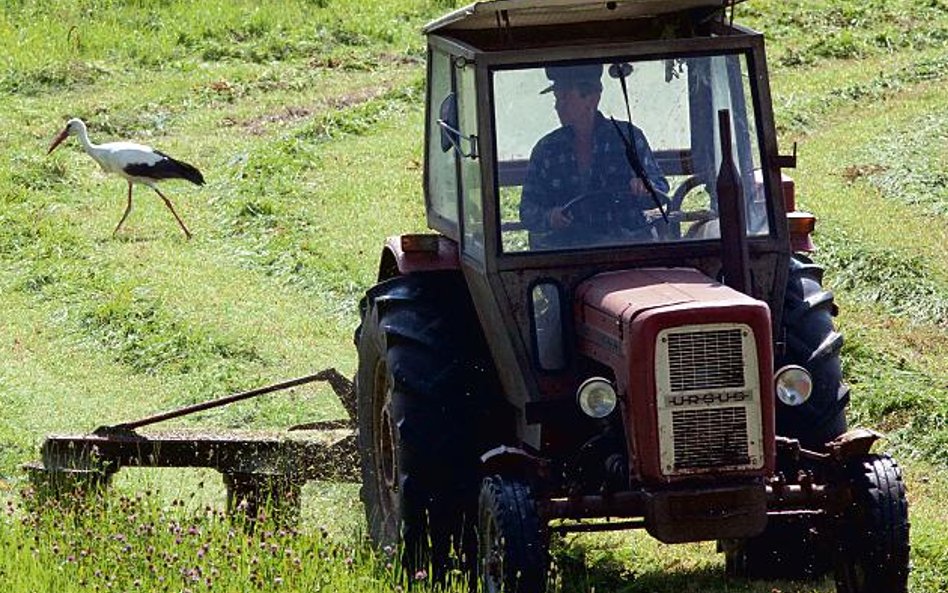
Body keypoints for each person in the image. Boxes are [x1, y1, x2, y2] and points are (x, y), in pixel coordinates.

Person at [520, 64, 669, 249]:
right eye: (557, 98)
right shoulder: (547, 150)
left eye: (565, 97)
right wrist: (550, 217)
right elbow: (527, 211)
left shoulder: (628, 138)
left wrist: (646, 186)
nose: (558, 106)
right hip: (568, 253)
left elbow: (660, 189)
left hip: (628, 249)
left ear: (592, 98)